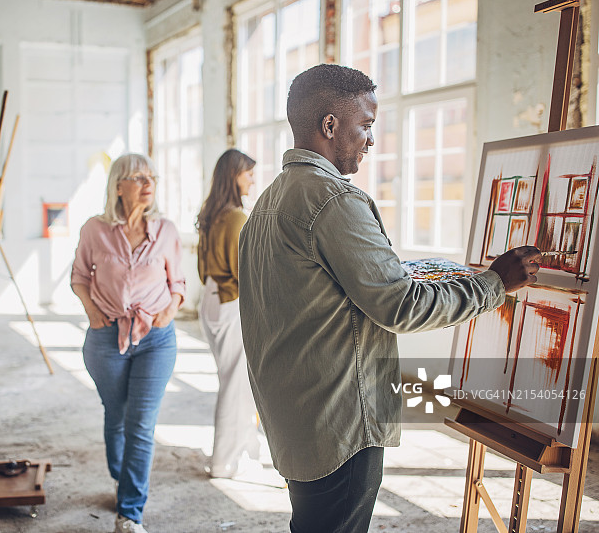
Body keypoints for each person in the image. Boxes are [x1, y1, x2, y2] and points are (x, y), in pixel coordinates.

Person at [237, 64, 542, 533]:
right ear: (330, 125)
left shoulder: (268, 202)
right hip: (338, 424)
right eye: (366, 125)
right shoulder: (334, 200)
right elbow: (401, 306)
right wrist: (493, 283)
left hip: (295, 416)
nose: (371, 140)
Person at [71, 153, 185, 533]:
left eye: (151, 177)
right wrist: (91, 310)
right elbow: (79, 276)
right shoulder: (94, 229)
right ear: (118, 186)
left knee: (140, 424)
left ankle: (130, 513)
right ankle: (121, 482)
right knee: (116, 415)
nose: (148, 183)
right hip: (106, 337)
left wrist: (169, 311)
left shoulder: (166, 230)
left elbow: (177, 282)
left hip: (156, 340)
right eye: (138, 177)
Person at [196, 149, 262, 479]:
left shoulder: (212, 213)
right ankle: (223, 462)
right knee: (236, 386)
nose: (252, 180)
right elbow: (244, 272)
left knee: (236, 382)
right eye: (248, 174)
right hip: (231, 301)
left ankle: (245, 452)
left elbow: (202, 268)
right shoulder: (237, 217)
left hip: (211, 299)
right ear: (234, 176)